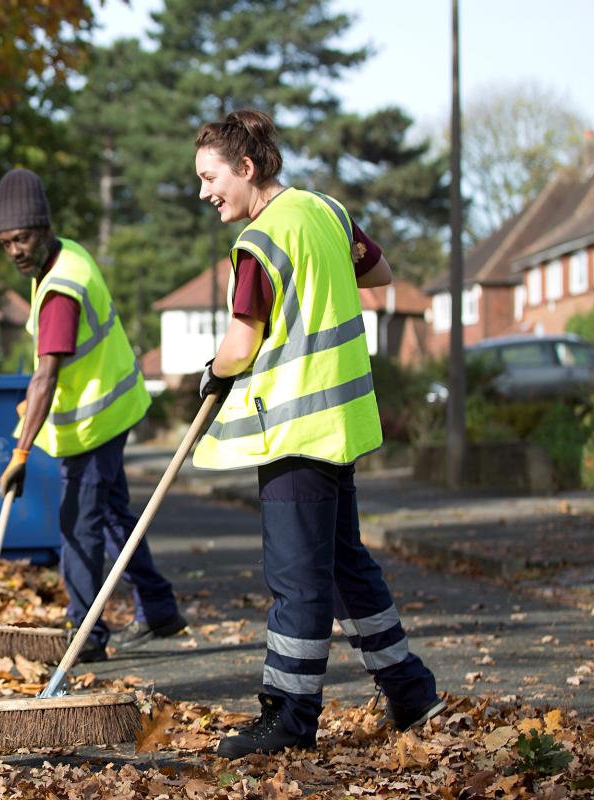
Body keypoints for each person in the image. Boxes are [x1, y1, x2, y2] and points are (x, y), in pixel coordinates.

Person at [188, 110, 443, 758]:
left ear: (246, 168)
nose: (204, 192)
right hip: (340, 422)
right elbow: (380, 275)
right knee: (341, 567)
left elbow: (241, 343)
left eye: (210, 177)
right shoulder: (325, 212)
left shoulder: (259, 243)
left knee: (298, 578)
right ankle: (410, 691)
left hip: (296, 431)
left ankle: (290, 717)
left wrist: (211, 375)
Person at [0, 168, 187, 661]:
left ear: (43, 229)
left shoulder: (60, 290)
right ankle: (160, 607)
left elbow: (46, 376)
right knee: (114, 516)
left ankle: (87, 636)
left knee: (78, 521)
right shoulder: (66, 254)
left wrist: (20, 451)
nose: (15, 250)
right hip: (108, 408)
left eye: (23, 238)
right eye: (6, 242)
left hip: (94, 424)